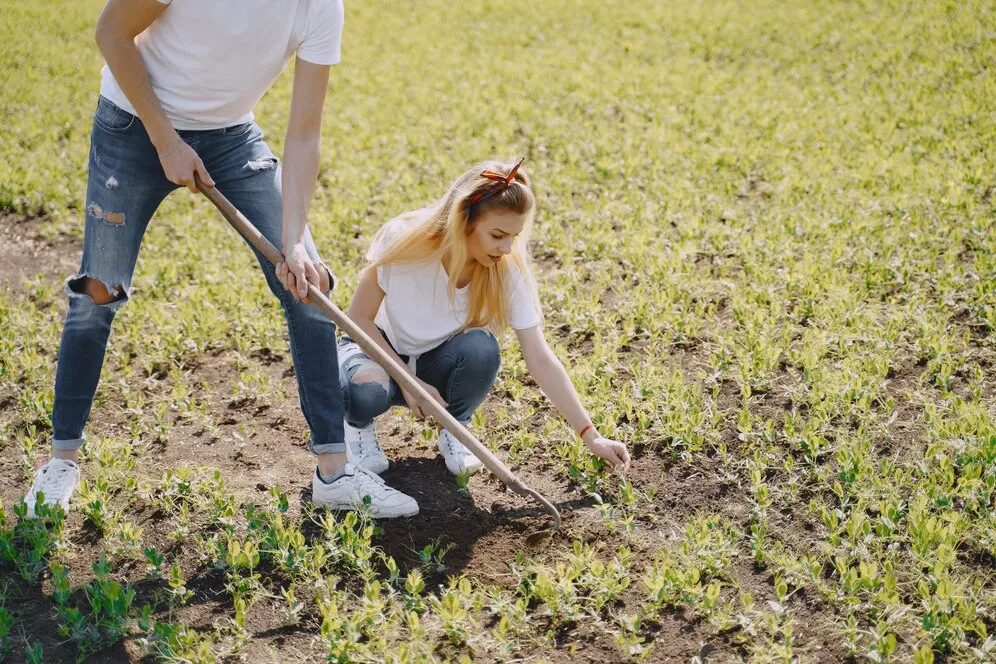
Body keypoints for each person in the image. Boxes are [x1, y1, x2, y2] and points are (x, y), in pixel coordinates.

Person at [23, 0, 387, 518]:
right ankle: (61, 461)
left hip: (232, 138)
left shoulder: (320, 6)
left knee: (308, 285)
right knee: (98, 293)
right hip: (133, 124)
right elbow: (110, 32)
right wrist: (167, 141)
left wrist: (296, 238)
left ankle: (334, 471)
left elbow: (305, 133)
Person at [326, 158, 632, 518]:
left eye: (514, 237)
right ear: (464, 221)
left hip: (434, 360)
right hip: (374, 352)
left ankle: (455, 426)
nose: (506, 248)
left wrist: (590, 435)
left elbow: (540, 357)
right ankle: (358, 427)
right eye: (497, 235)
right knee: (365, 389)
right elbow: (358, 319)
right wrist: (406, 381)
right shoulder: (404, 238)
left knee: (481, 349)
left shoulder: (506, 268)